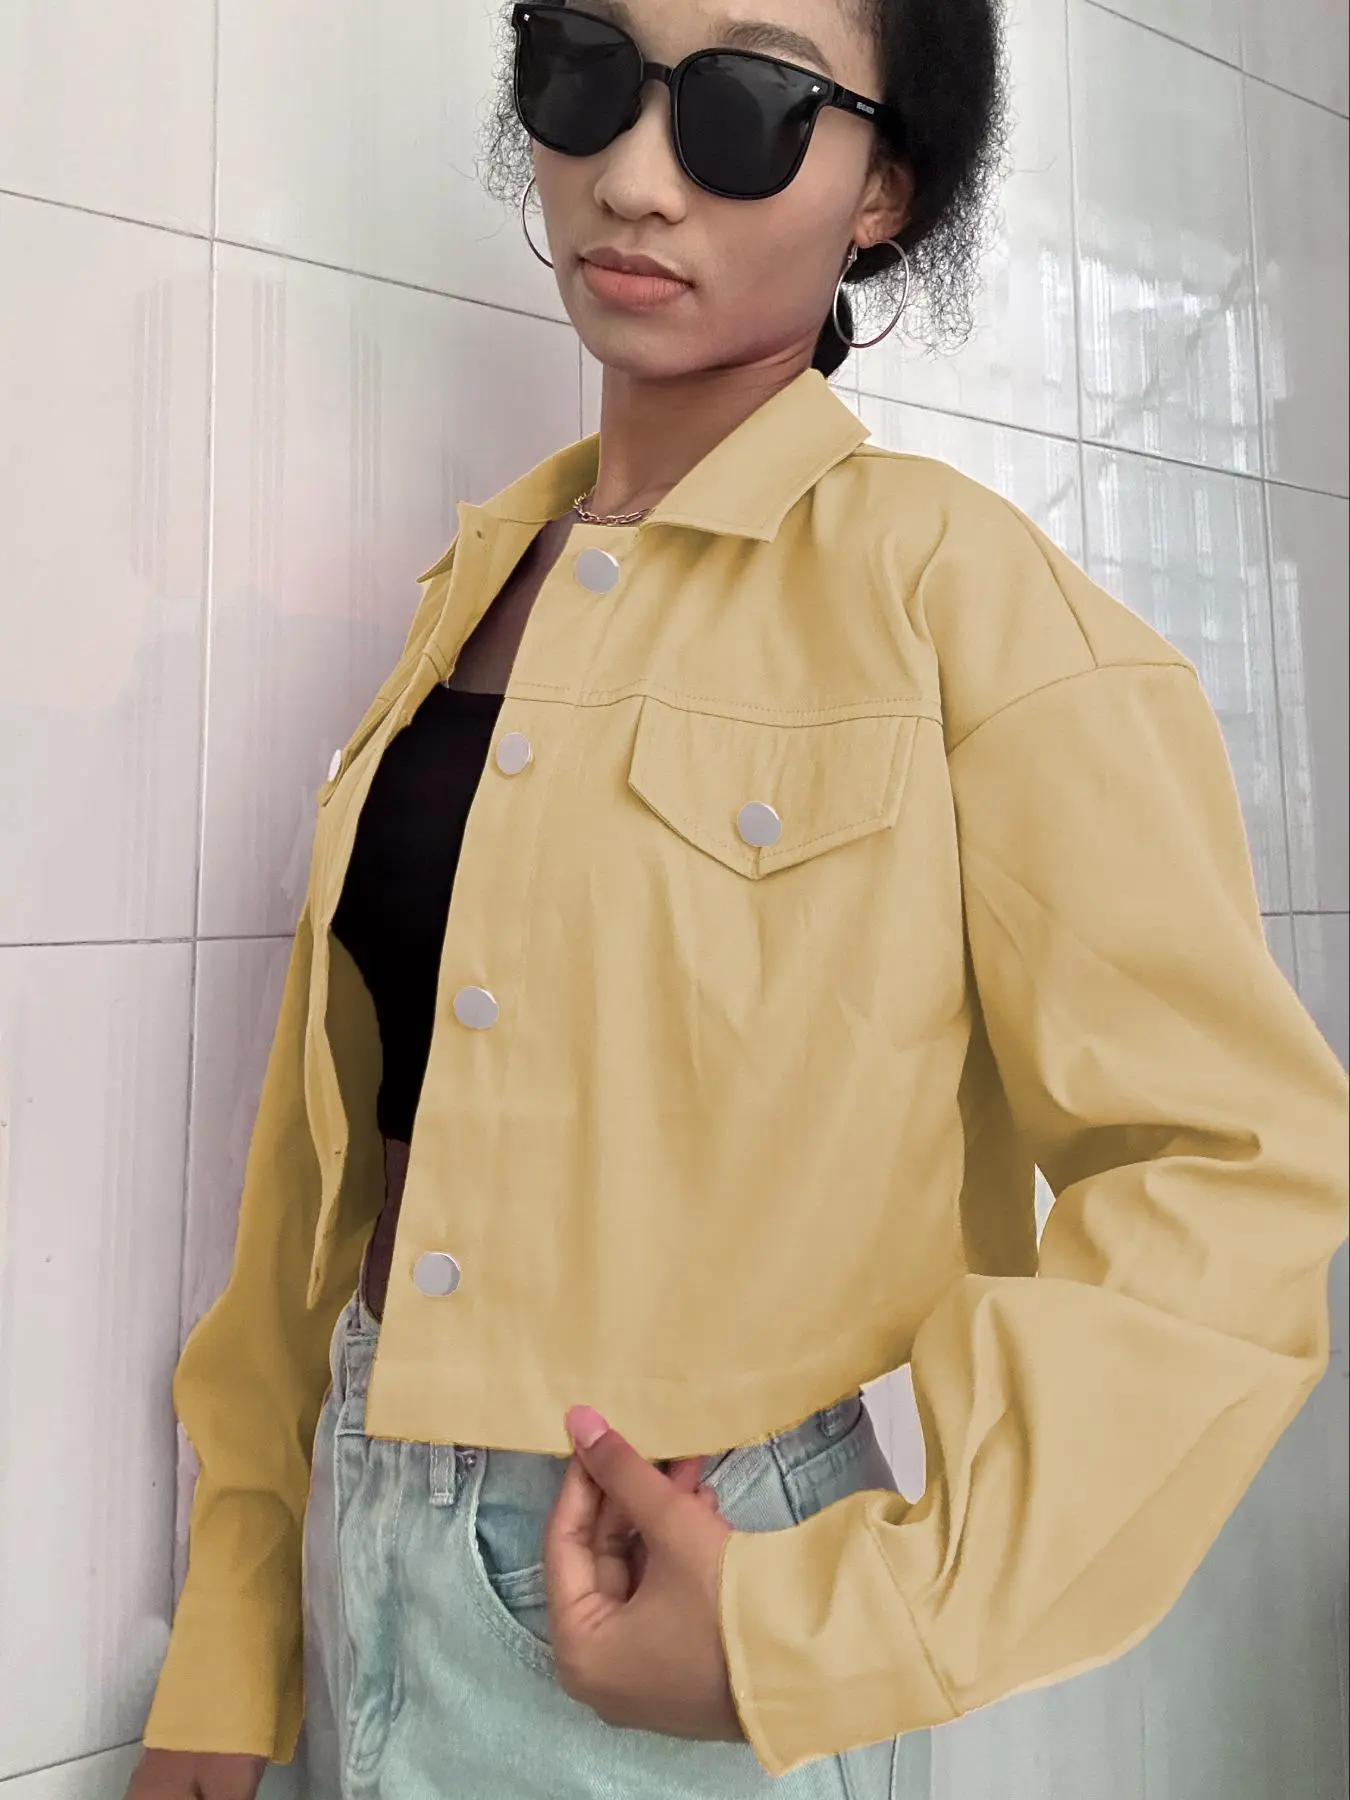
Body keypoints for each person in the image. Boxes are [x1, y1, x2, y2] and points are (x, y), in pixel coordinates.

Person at [127, 1, 1349, 1796]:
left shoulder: (955, 595)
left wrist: (826, 1631)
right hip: (363, 1540)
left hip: (673, 1581)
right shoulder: (478, 585)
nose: (633, 179)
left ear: (882, 189)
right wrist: (232, 1642)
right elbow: (331, 1173)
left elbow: (1231, 1168)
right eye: (583, 74)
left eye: (746, 107)